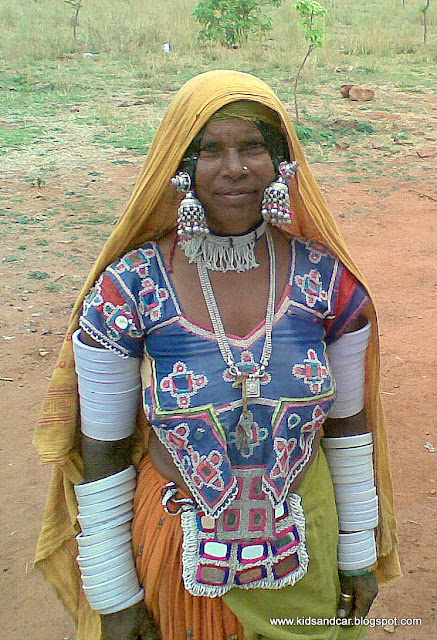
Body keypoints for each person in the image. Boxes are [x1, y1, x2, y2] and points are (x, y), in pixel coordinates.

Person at [34, 70, 401, 640]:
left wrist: (356, 552)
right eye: (210, 150)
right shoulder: (127, 290)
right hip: (180, 552)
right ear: (179, 166)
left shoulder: (332, 287)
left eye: (252, 146)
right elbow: (101, 449)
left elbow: (348, 431)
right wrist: (114, 596)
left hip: (307, 538)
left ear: (282, 161)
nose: (234, 168)